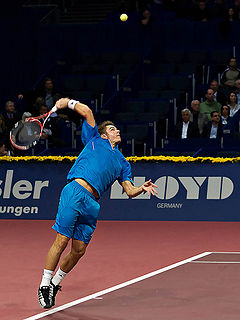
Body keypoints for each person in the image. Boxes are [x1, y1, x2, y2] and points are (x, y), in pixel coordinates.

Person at [38, 97, 158, 309]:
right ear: (104, 134)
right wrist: (68, 103)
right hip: (75, 192)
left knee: (79, 250)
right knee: (62, 240)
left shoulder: (123, 163)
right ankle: (44, 284)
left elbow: (129, 191)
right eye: (113, 129)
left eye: (117, 129)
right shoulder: (94, 139)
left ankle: (56, 283)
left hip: (92, 203)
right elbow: (87, 112)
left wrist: (142, 188)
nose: (117, 131)